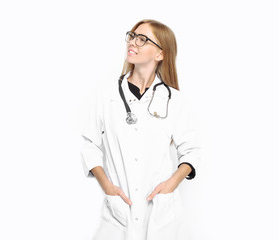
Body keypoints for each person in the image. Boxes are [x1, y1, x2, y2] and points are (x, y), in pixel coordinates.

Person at [80, 19, 201, 240]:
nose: (133, 42)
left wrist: (171, 184)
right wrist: (106, 185)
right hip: (118, 211)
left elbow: (191, 150)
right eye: (132, 36)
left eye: (143, 39)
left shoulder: (174, 100)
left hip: (161, 213)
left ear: (160, 54)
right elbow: (89, 143)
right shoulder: (106, 97)